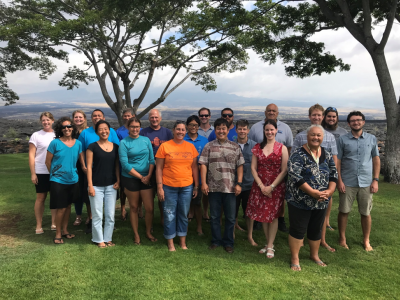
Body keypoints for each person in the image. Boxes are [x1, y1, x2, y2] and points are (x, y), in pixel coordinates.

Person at [286, 125, 337, 271]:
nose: (316, 138)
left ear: (323, 137)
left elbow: (334, 173)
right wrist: (312, 192)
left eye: (319, 135)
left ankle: (314, 255)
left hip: (321, 201)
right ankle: (295, 258)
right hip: (300, 200)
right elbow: (295, 176)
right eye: (313, 135)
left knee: (316, 229)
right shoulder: (298, 154)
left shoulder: (326, 153)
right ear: (307, 136)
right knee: (298, 229)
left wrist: (330, 191)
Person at [293, 104, 338, 252]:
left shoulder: (330, 137)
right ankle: (300, 240)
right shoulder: (300, 136)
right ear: (309, 117)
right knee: (302, 216)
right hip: (304, 187)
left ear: (323, 117)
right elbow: (294, 162)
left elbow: (334, 160)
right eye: (314, 115)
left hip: (324, 188)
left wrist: (332, 186)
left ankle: (322, 240)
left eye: (319, 115)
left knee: (321, 216)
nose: (317, 117)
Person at [200, 118, 245, 254]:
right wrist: (203, 183)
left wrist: (239, 184)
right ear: (215, 130)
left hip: (230, 188)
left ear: (228, 130)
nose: (221, 131)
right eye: (218, 128)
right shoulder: (208, 146)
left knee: (230, 217)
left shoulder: (235, 147)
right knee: (214, 217)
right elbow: (203, 165)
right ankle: (215, 241)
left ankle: (228, 242)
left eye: (223, 128)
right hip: (213, 188)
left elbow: (240, 166)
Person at [337, 111, 380, 252]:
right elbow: (338, 160)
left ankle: (366, 240)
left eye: (359, 120)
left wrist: (376, 180)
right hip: (347, 181)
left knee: (366, 213)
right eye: (353, 121)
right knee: (344, 211)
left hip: (366, 182)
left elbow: (375, 159)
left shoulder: (372, 139)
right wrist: (339, 181)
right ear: (349, 124)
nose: (356, 122)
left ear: (363, 122)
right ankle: (342, 238)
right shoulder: (342, 140)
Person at [248, 103, 293, 233]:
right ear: (265, 112)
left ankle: (280, 219)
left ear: (277, 113)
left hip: (278, 173)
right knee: (260, 201)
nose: (271, 112)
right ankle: (259, 220)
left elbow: (289, 147)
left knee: (277, 202)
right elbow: (252, 146)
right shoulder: (256, 127)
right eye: (269, 110)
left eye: (274, 111)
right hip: (261, 174)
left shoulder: (286, 128)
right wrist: (262, 185)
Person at [245, 120, 288, 257]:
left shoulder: (282, 148)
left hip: (276, 185)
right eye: (267, 130)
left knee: (273, 215)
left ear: (276, 131)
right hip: (260, 185)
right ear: (264, 131)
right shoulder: (257, 147)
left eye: (271, 130)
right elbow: (253, 168)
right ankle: (268, 243)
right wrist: (262, 186)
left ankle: (270, 246)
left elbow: (284, 170)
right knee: (263, 215)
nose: (269, 132)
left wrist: (272, 186)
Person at [156, 120, 199, 251]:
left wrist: (196, 186)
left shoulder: (190, 147)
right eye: (178, 129)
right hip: (169, 186)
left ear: (185, 132)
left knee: (183, 214)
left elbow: (194, 168)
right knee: (169, 214)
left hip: (186, 186)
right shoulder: (164, 146)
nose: (180, 132)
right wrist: (159, 187)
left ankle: (182, 241)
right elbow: (159, 168)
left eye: (183, 130)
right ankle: (170, 242)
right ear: (173, 130)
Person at [78, 109, 120, 233]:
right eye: (94, 116)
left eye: (99, 115)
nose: (97, 117)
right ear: (91, 118)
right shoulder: (85, 133)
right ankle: (92, 221)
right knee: (92, 197)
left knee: (109, 200)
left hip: (109, 170)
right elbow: (81, 150)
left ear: (104, 117)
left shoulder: (111, 131)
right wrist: (83, 165)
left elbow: (116, 149)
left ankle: (108, 224)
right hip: (92, 170)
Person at [45, 117, 83, 244]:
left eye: (69, 126)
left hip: (73, 180)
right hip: (58, 181)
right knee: (60, 208)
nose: (67, 129)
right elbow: (47, 161)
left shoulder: (78, 143)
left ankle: (65, 230)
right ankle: (58, 233)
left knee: (67, 207)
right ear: (60, 129)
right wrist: (55, 174)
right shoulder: (55, 143)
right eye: (63, 127)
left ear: (73, 128)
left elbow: (81, 162)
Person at [119, 117, 157, 245]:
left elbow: (152, 160)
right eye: (132, 126)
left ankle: (148, 232)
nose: (135, 129)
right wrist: (141, 177)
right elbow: (125, 165)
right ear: (128, 128)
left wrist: (149, 175)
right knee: (134, 207)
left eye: (137, 126)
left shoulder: (146, 140)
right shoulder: (124, 143)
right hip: (130, 178)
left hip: (147, 177)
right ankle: (136, 235)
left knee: (150, 208)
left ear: (140, 127)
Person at [86, 120, 120, 248]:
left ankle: (108, 238)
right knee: (97, 214)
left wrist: (118, 180)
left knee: (110, 214)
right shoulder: (92, 147)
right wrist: (90, 185)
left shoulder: (115, 147)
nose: (104, 131)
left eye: (106, 129)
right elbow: (89, 167)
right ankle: (98, 239)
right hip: (96, 185)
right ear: (97, 132)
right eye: (100, 129)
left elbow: (117, 166)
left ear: (109, 130)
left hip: (112, 185)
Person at [140, 109, 173, 225]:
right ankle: (149, 221)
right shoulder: (143, 132)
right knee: (149, 196)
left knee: (162, 195)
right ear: (149, 119)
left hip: (163, 168)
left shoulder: (167, 133)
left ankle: (163, 218)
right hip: (147, 168)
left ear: (160, 118)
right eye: (152, 117)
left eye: (156, 117)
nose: (154, 119)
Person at [29, 112, 57, 234]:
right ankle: (39, 224)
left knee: (55, 197)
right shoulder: (36, 135)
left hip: (55, 171)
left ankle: (54, 223)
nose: (46, 122)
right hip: (40, 171)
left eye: (48, 120)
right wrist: (33, 173)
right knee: (41, 197)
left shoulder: (57, 134)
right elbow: (31, 155)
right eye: (43, 120)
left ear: (53, 121)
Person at [321, 107, 347, 234]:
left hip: (336, 166)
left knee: (329, 195)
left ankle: (326, 221)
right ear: (324, 117)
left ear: (337, 118)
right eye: (329, 116)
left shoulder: (343, 132)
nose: (331, 119)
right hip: (321, 167)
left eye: (334, 116)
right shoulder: (319, 130)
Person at [115, 108, 143, 220]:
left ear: (133, 116)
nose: (127, 118)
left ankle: (140, 208)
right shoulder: (119, 131)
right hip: (124, 164)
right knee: (123, 189)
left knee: (140, 188)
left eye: (129, 116)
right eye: (125, 116)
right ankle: (122, 208)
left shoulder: (140, 130)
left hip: (138, 165)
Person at [184, 115, 209, 236]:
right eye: (191, 125)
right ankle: (184, 227)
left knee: (197, 203)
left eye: (195, 125)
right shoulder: (182, 139)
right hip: (184, 176)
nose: (193, 127)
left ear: (198, 127)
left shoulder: (204, 141)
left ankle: (199, 227)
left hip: (199, 177)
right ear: (187, 126)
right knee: (185, 204)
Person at [233, 119, 257, 237]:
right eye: (240, 129)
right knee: (233, 210)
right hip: (234, 183)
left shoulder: (255, 146)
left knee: (249, 212)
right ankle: (232, 232)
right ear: (236, 130)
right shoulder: (231, 144)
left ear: (248, 130)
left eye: (244, 129)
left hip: (249, 183)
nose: (242, 131)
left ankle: (250, 236)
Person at [71, 110, 90, 227]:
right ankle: (78, 215)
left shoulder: (89, 132)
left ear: (84, 118)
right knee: (76, 192)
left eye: (80, 117)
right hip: (74, 165)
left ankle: (90, 215)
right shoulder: (70, 132)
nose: (78, 119)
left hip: (87, 166)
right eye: (76, 117)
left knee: (87, 191)